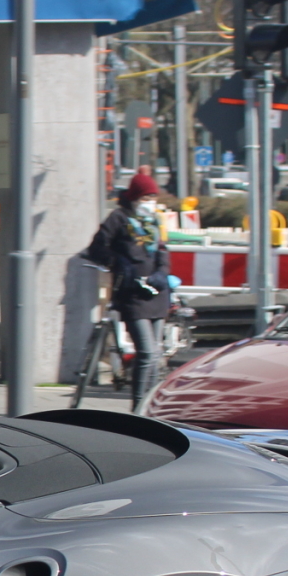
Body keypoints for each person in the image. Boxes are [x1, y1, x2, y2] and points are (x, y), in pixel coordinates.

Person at [86, 170, 175, 409]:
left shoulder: (155, 221)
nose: (150, 203)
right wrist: (119, 263)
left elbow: (163, 251)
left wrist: (161, 274)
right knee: (146, 352)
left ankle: (151, 405)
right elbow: (96, 249)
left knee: (155, 356)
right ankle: (138, 407)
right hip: (132, 296)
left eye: (153, 197)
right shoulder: (118, 218)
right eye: (146, 198)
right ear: (134, 198)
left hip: (156, 295)